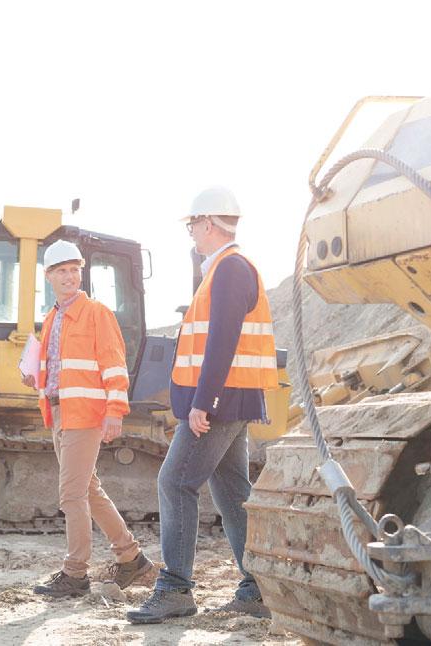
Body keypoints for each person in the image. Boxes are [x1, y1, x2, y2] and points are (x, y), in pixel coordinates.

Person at [127, 187, 278, 623]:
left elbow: (222, 342)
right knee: (231, 491)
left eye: (192, 224)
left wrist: (203, 401)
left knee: (175, 483)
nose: (191, 232)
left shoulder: (230, 269)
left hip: (221, 401)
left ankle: (175, 588)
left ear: (209, 223)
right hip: (232, 399)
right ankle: (258, 588)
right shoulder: (223, 269)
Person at [23, 239, 154, 598]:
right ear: (48, 276)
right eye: (61, 271)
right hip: (59, 411)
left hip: (85, 414)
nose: (69, 277)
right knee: (89, 491)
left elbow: (115, 367)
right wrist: (34, 376)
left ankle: (75, 573)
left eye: (74, 270)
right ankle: (132, 558)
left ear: (81, 272)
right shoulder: (52, 318)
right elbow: (59, 370)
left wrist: (115, 412)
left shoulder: (97, 313)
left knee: (71, 495)